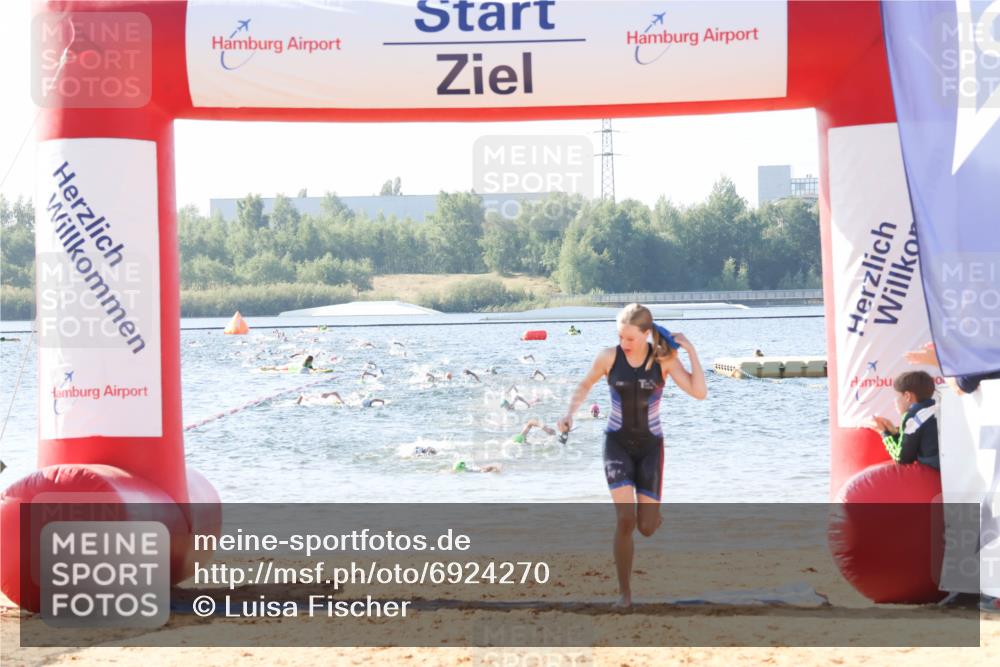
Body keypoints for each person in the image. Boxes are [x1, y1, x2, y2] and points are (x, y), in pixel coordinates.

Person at [557, 303, 706, 607]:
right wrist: (569, 413)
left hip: (651, 447)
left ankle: (653, 517)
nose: (624, 344)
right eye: (620, 337)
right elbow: (586, 384)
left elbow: (698, 391)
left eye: (630, 339)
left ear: (646, 334)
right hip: (617, 444)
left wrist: (690, 350)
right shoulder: (608, 357)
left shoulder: (664, 359)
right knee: (625, 520)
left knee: (646, 529)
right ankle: (625, 594)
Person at [865, 370, 939, 470]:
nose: (894, 401)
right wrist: (895, 433)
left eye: (896, 396)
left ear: (907, 396)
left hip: (934, 474)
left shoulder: (913, 416)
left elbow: (902, 459)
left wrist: (883, 432)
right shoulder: (936, 408)